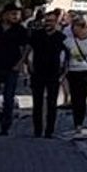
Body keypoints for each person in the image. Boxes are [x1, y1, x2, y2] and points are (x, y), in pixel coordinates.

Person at [0, 3, 30, 136]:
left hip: (12, 67)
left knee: (8, 97)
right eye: (13, 14)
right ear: (5, 15)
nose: (16, 17)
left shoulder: (20, 30)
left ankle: (5, 125)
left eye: (17, 14)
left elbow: (26, 48)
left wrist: (20, 63)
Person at [27, 10, 68, 138]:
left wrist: (64, 72)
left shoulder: (61, 38)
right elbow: (28, 51)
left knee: (52, 104)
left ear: (56, 22)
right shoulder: (36, 35)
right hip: (38, 72)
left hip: (53, 73)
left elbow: (67, 56)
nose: (48, 23)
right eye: (46, 21)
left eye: (51, 21)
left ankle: (49, 131)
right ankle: (37, 130)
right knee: (37, 103)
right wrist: (28, 67)